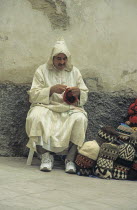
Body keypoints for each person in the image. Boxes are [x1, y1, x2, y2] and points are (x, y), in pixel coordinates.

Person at [25, 38, 88, 173]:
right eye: (58, 58)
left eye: (64, 59)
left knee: (80, 119)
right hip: (46, 106)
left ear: (68, 59)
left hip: (69, 108)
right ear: (52, 58)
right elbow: (33, 95)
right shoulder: (42, 70)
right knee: (35, 117)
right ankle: (45, 156)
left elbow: (84, 94)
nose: (61, 62)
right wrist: (51, 90)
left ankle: (70, 159)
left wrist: (79, 93)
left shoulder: (75, 72)